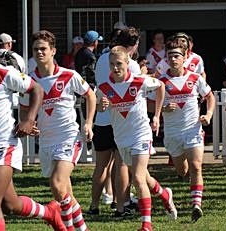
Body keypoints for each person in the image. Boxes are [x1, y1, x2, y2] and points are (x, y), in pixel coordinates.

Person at [0, 25, 66, 231]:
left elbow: (36, 89)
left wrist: (29, 119)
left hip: (3, 144)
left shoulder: (2, 72)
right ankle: (50, 213)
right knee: (9, 204)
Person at [19, 30, 96, 231]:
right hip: (46, 142)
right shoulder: (29, 81)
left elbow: (90, 95)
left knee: (57, 183)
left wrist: (88, 123)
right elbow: (25, 109)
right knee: (64, 193)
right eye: (36, 49)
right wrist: (28, 123)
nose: (39, 53)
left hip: (69, 138)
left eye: (43, 49)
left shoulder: (69, 75)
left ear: (53, 51)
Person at [97, 46, 177, 231]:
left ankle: (146, 225)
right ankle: (164, 195)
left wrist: (157, 115)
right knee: (145, 179)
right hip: (121, 138)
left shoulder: (139, 81)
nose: (115, 68)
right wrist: (102, 106)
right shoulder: (103, 87)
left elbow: (161, 86)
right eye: (112, 64)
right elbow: (100, 108)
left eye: (119, 64)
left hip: (141, 134)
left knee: (138, 178)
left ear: (127, 63)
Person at [151, 39, 215, 222]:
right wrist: (162, 109)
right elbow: (148, 103)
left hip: (192, 129)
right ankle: (179, 183)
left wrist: (208, 114)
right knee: (182, 170)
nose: (173, 59)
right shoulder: (161, 82)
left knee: (196, 167)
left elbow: (209, 97)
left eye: (177, 55)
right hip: (172, 133)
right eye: (170, 56)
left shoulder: (195, 78)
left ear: (185, 57)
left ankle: (196, 205)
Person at [87, 27, 144, 219]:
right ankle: (122, 205)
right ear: (133, 45)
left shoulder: (104, 58)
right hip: (120, 121)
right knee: (121, 165)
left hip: (101, 119)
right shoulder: (131, 64)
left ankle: (94, 206)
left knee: (101, 166)